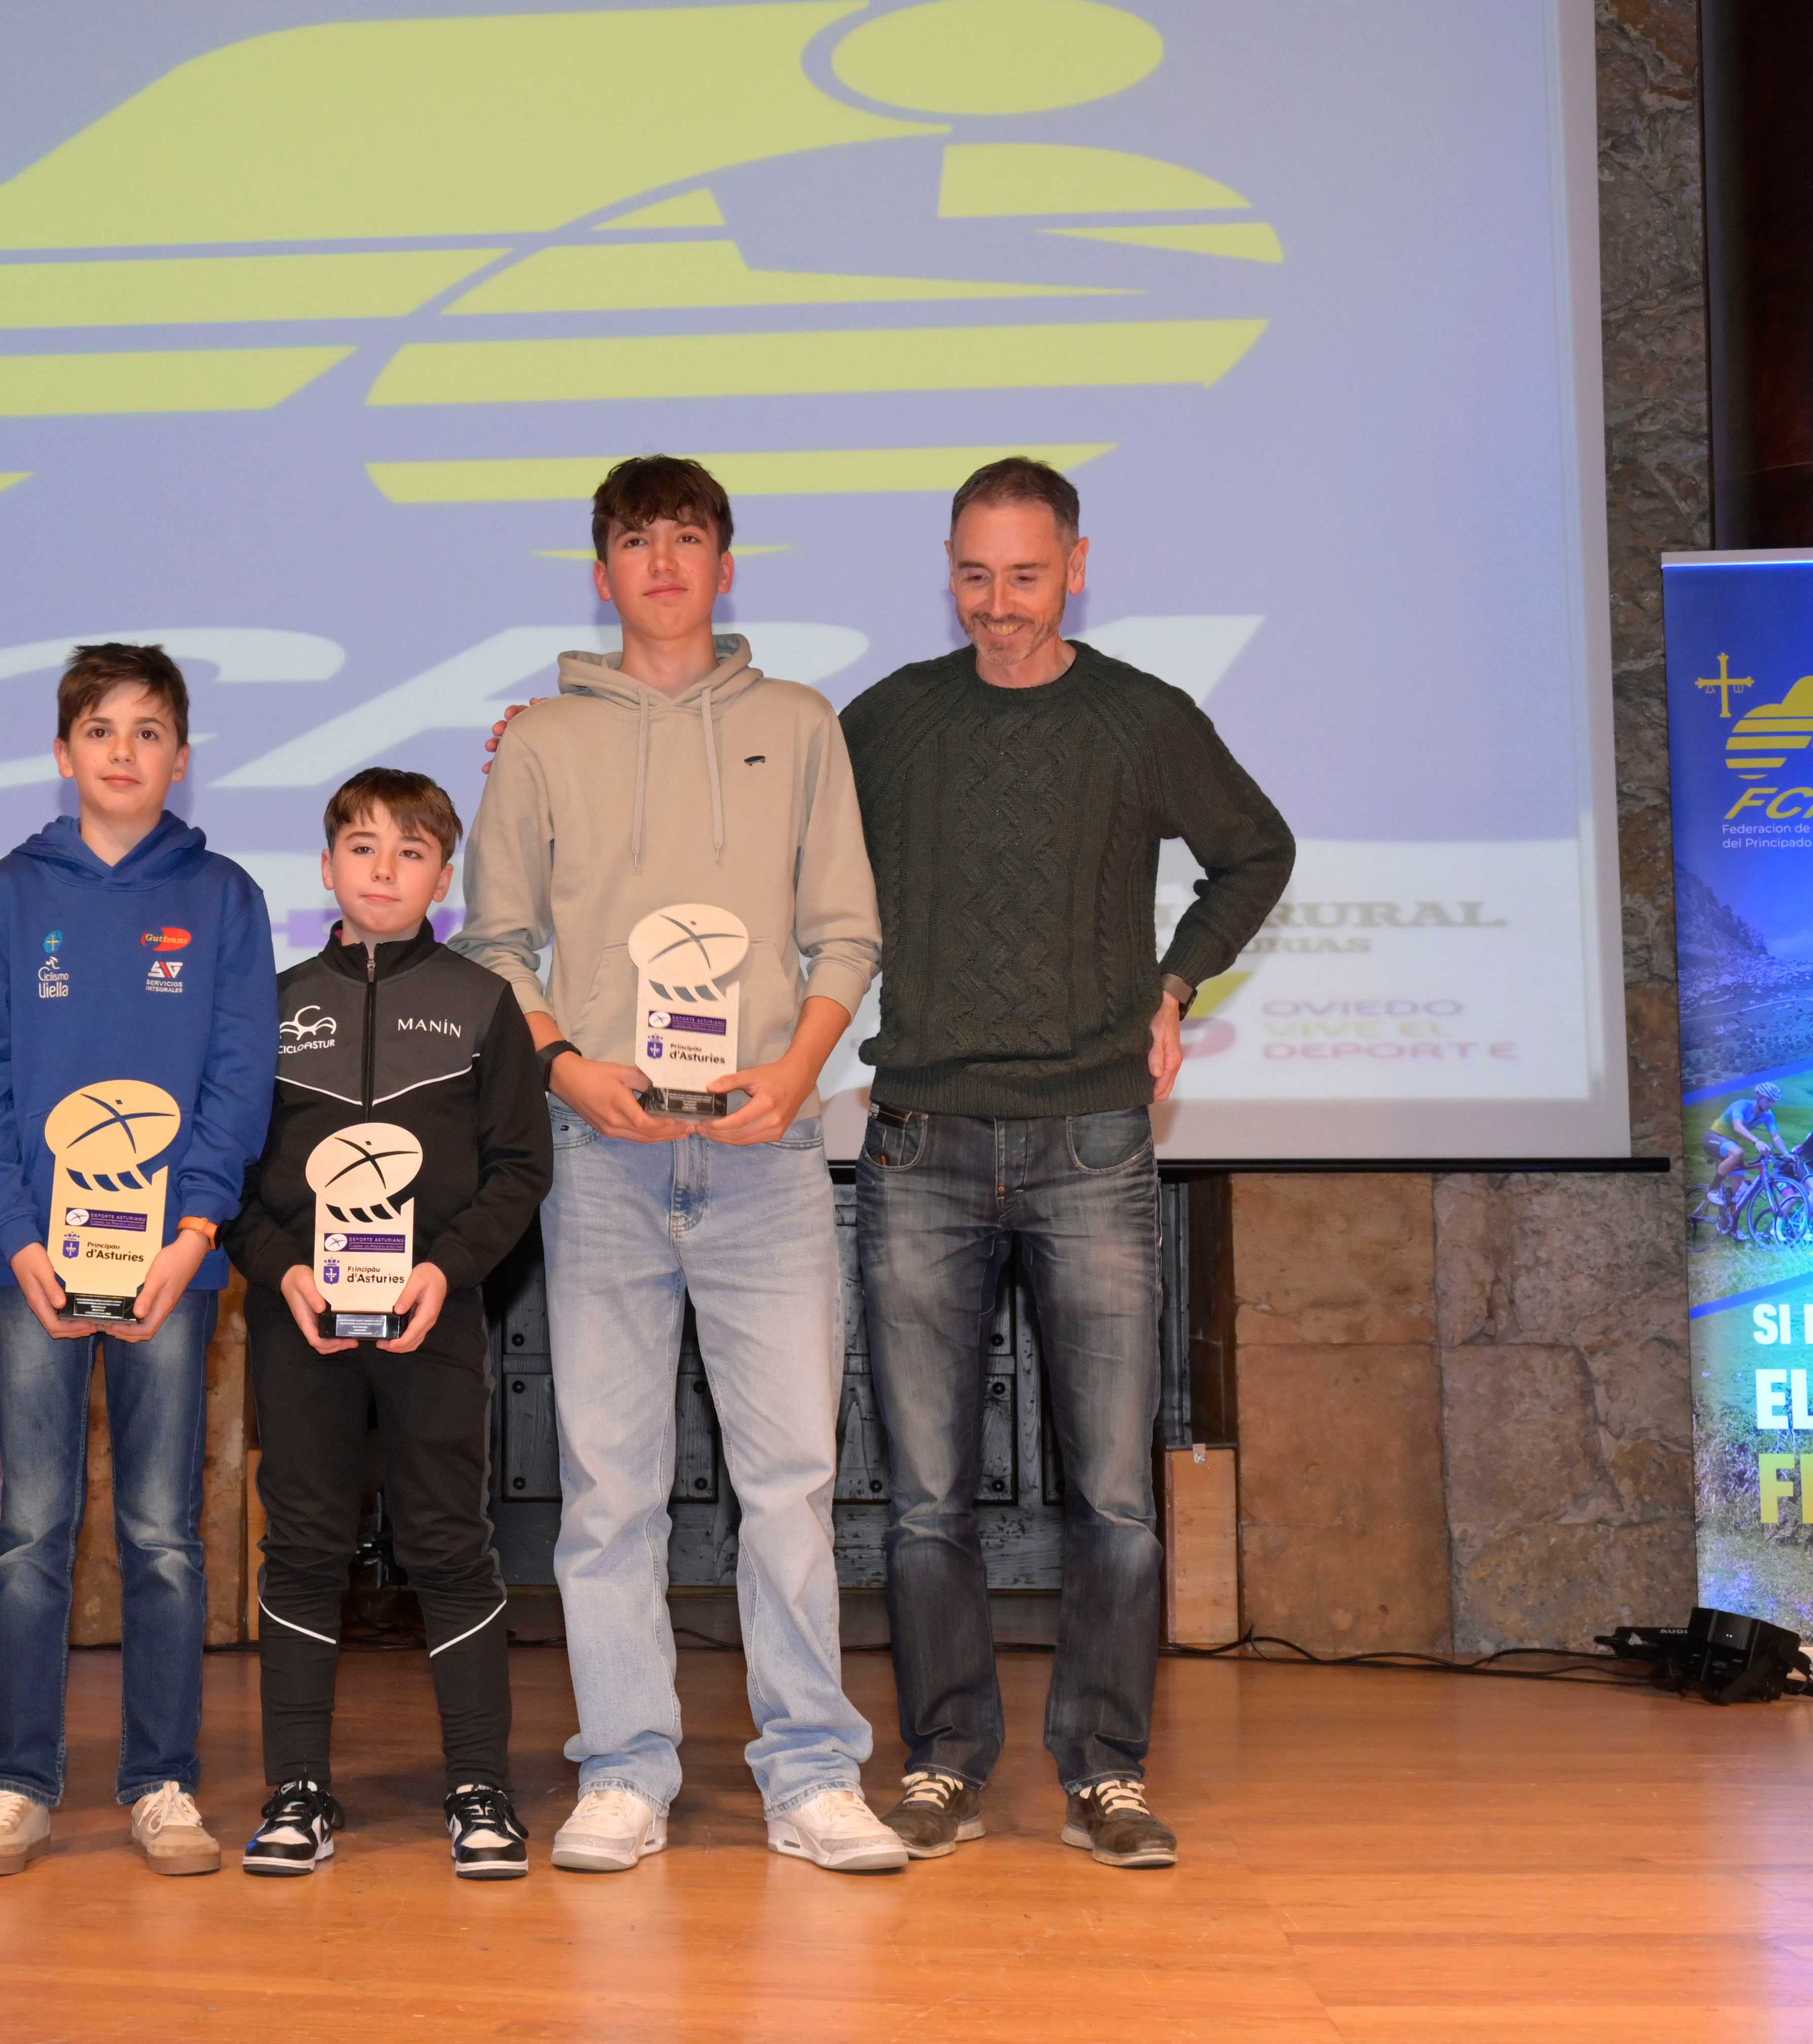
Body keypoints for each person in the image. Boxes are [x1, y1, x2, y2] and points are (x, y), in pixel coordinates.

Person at [839, 457, 1293, 1870]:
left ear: (1075, 567)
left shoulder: (1140, 718)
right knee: (924, 1501)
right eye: (973, 576)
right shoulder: (893, 721)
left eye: (1025, 578)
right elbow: (750, 830)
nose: (998, 606)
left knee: (1110, 1496)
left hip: (1096, 1139)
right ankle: (943, 1761)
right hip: (918, 1136)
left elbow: (1255, 852)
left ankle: (1106, 1769)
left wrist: (1175, 987)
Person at [458, 456, 907, 1874]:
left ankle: (814, 1775)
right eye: (635, 542)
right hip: (600, 1155)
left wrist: (797, 1072)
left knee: (789, 1480)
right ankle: (626, 1771)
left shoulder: (798, 723)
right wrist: (562, 1065)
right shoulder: (540, 743)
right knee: (610, 1489)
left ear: (727, 565)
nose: (662, 563)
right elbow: (496, 947)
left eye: (688, 540)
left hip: (768, 1155)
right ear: (603, 572)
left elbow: (847, 933)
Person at [0, 644, 276, 1877]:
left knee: (164, 1532)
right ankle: (20, 1774)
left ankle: (163, 1777)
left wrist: (196, 1231)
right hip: (35, 1265)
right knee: (31, 1527)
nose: (123, 749)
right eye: (100, 728)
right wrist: (14, 1234)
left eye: (147, 730)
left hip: (172, 1268)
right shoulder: (10, 898)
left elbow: (241, 1075)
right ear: (64, 751)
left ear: (180, 758)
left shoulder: (225, 896)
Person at [224, 769, 552, 1879]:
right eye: (360, 847)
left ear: (443, 880)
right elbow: (231, 1179)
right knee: (306, 1545)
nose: (382, 868)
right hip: (301, 1325)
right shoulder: (263, 1007)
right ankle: (298, 1790)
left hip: (434, 1323)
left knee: (448, 1544)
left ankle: (481, 1786)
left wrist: (445, 1272)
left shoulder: (481, 1003)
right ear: (326, 868)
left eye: (409, 852)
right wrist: (282, 1274)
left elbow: (520, 1169)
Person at [1705, 1081, 1788, 1227]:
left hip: (1730, 1144)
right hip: (1714, 1137)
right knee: (1738, 1152)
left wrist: (1787, 1154)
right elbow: (1738, 1126)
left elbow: (1776, 1137)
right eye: (1769, 1100)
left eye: (1773, 1101)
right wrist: (1757, 1141)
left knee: (1740, 1190)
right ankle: (1713, 1189)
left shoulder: (1768, 1115)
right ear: (1759, 1096)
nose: (1771, 1104)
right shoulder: (1742, 1105)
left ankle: (1732, 1227)